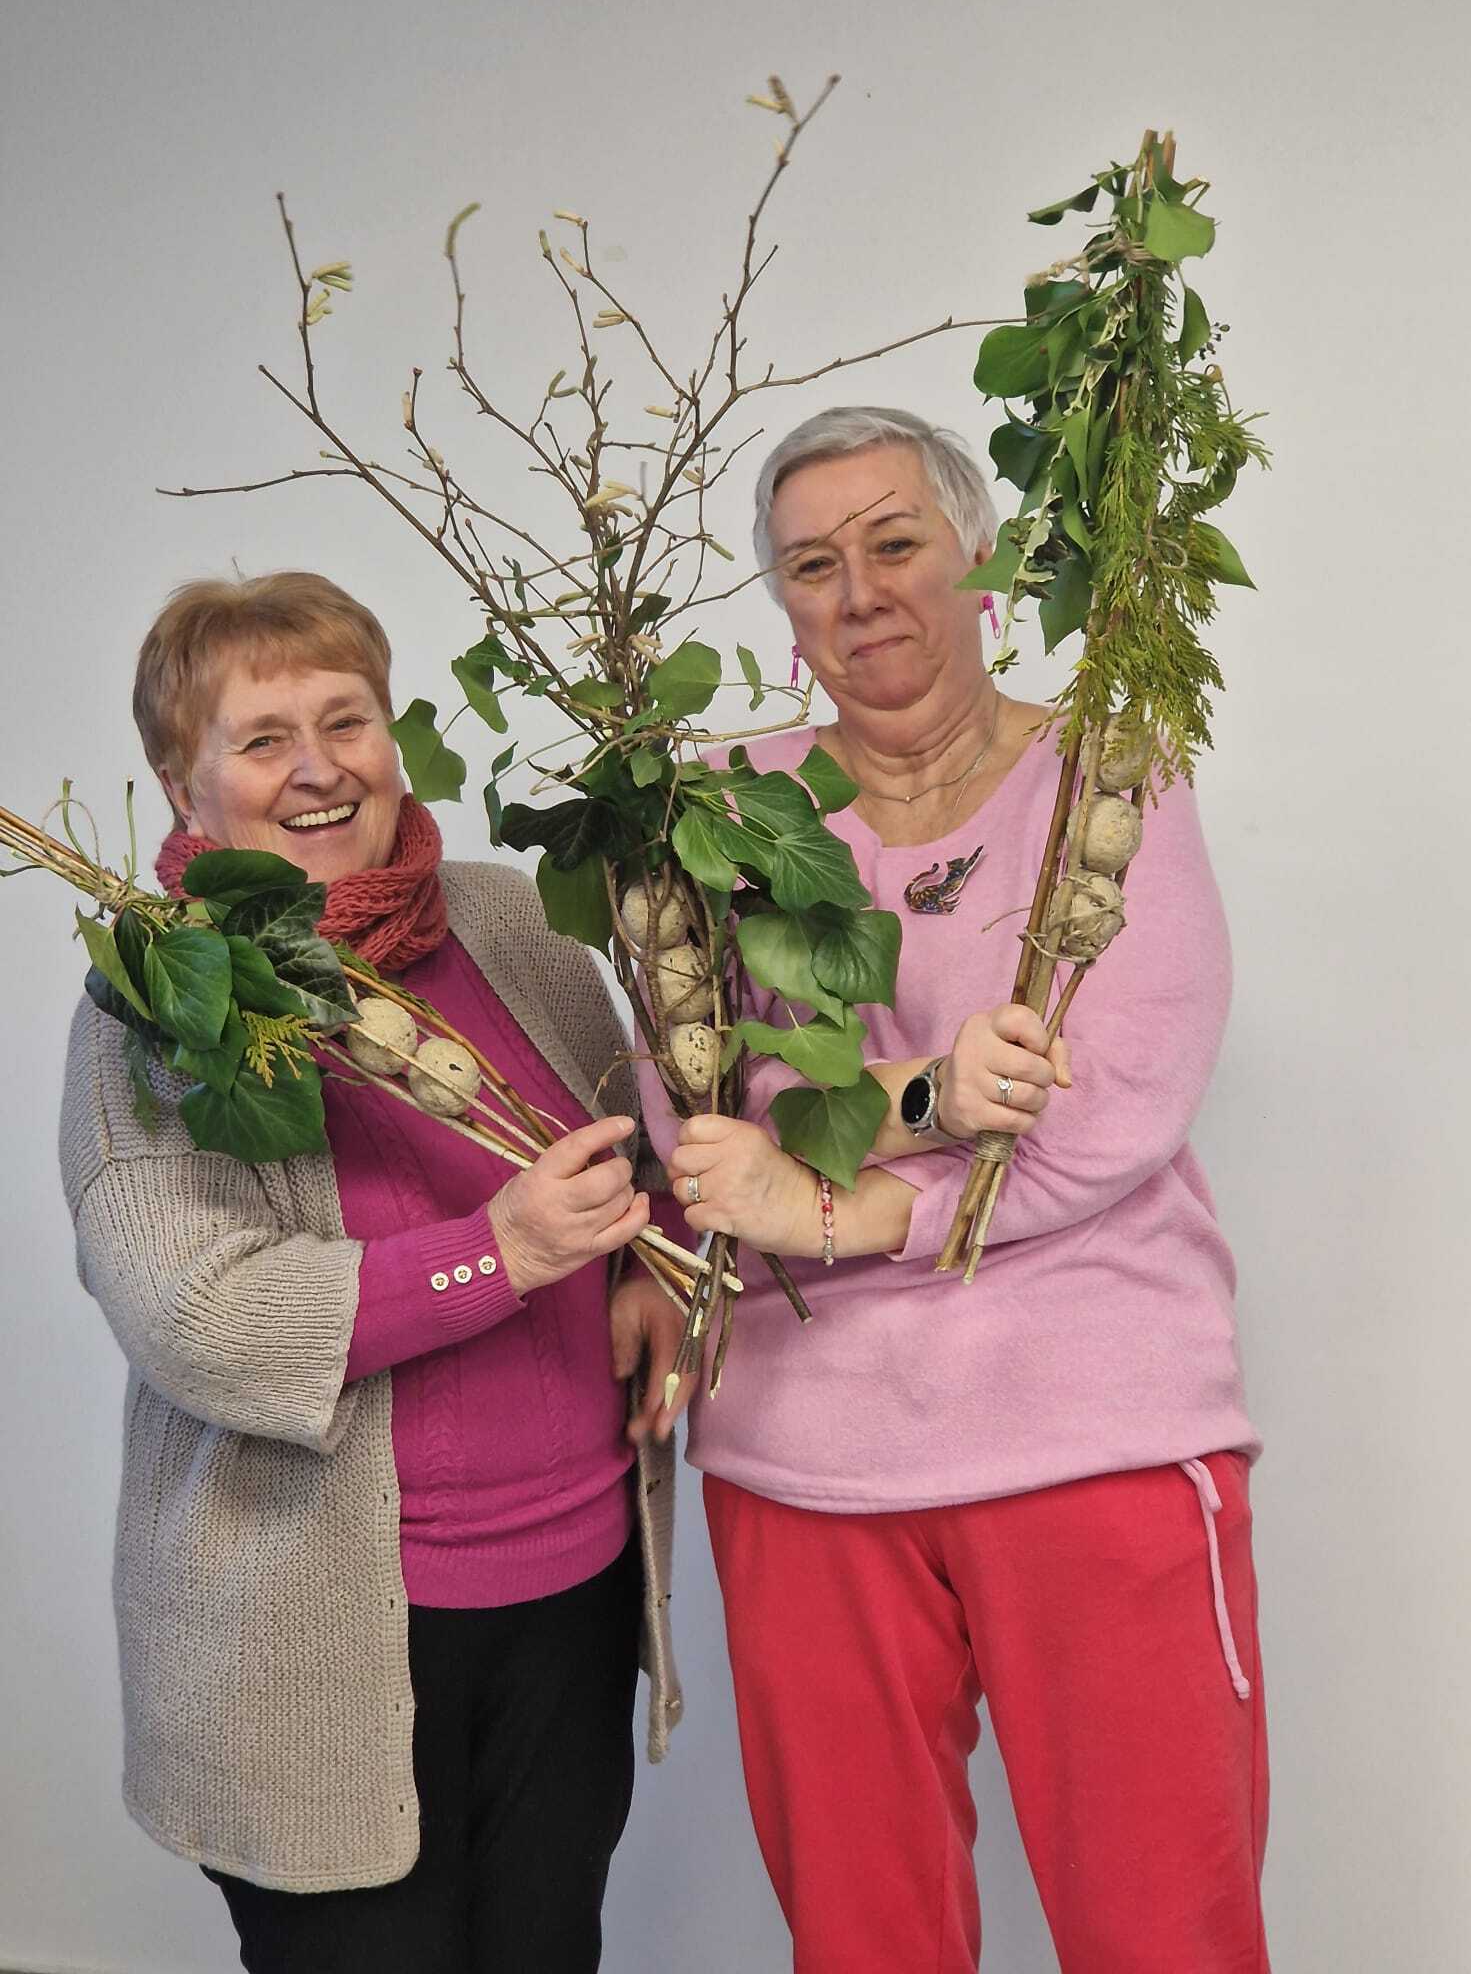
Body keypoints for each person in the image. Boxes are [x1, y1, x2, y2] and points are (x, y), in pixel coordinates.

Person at [638, 409, 1269, 1972]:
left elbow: (1104, 1107)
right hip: (809, 1458)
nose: (860, 594)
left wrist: (839, 1208)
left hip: (1093, 1436)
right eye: (811, 566)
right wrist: (915, 1113)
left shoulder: (1109, 775)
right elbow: (698, 1104)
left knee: (1159, 1929)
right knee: (864, 1938)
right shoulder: (714, 814)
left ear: (977, 559)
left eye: (896, 543)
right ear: (780, 611)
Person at [58, 572, 687, 1974]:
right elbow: (193, 1308)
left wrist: (653, 1270)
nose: (319, 766)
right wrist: (502, 1254)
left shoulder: (509, 921)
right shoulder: (153, 1005)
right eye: (264, 736)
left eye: (345, 719)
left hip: (569, 1601)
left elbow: (625, 1142)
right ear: (184, 780)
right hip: (316, 1640)